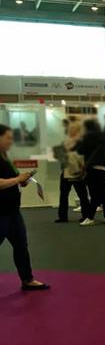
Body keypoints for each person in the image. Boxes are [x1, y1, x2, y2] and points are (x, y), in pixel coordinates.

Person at [0, 124, 49, 291]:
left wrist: (21, 180)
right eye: (8, 138)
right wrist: (17, 179)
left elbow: (11, 179)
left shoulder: (5, 157)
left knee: (21, 246)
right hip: (1, 213)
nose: (11, 141)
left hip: (13, 211)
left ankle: (27, 279)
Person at [76, 118, 105, 226]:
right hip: (103, 167)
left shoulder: (88, 136)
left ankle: (90, 218)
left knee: (94, 193)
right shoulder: (102, 135)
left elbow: (80, 150)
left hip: (93, 167)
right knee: (103, 193)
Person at [55, 121, 90, 223]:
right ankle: (64, 216)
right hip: (68, 171)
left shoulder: (80, 142)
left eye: (72, 128)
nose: (70, 130)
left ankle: (85, 215)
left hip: (76, 171)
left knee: (81, 195)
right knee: (66, 195)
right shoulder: (69, 141)